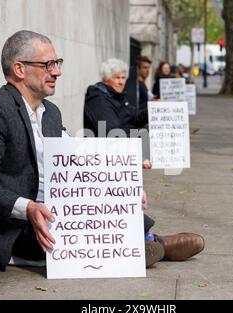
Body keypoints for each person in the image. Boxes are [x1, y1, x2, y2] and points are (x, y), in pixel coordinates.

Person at [83, 58, 205, 268]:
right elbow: (113, 134)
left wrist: (155, 108)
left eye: (123, 77)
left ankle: (151, 242)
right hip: (105, 162)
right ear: (105, 78)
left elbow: (134, 119)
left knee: (124, 204)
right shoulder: (99, 100)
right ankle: (151, 242)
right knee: (122, 201)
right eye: (116, 78)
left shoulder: (116, 97)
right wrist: (136, 156)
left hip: (118, 160)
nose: (121, 81)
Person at [0, 30, 66, 271]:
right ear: (19, 69)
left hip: (51, 211)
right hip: (15, 228)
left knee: (130, 219)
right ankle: (152, 244)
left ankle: (150, 241)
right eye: (48, 64)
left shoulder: (51, 112)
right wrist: (27, 208)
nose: (57, 72)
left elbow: (74, 159)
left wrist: (122, 188)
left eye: (57, 63)